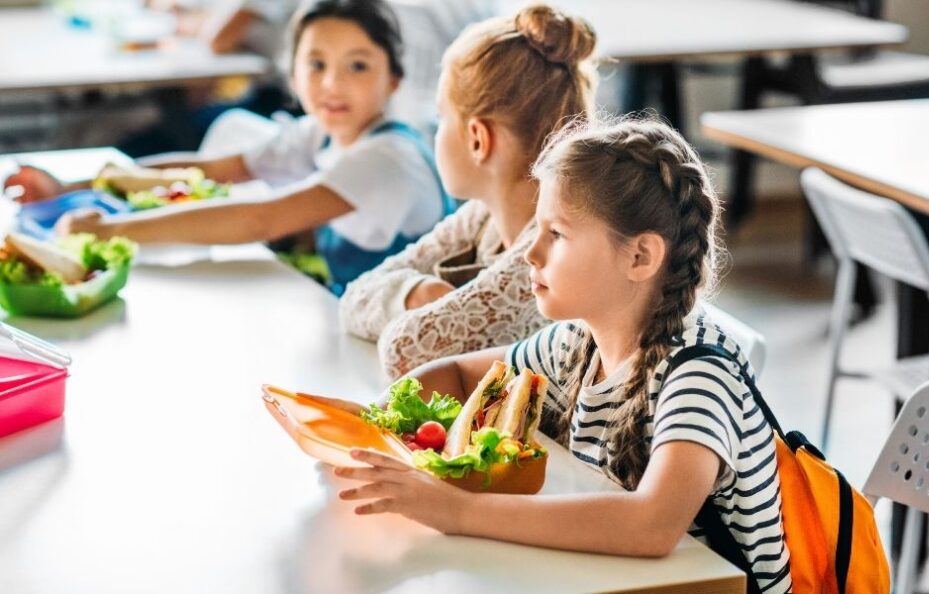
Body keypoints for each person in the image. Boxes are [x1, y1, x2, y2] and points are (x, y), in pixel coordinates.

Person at [335, 118, 792, 593]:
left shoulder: (698, 372)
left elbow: (651, 525)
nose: (531, 252)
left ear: (640, 257)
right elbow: (455, 374)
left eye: (557, 234)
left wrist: (456, 511)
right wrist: (375, 426)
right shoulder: (576, 341)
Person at [5, 0, 446, 295]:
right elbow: (214, 169)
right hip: (345, 309)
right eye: (316, 64)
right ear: (291, 75)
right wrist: (67, 183)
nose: (333, 83)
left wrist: (107, 232)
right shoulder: (319, 131)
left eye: (358, 65)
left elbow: (261, 218)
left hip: (387, 330)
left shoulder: (387, 157)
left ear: (393, 80)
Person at [340, 3, 597, 377]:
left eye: (442, 117)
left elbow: (404, 351)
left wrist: (413, 299)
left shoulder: (554, 244)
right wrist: (416, 293)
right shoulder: (482, 215)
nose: (436, 130)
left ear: (478, 139)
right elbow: (355, 295)